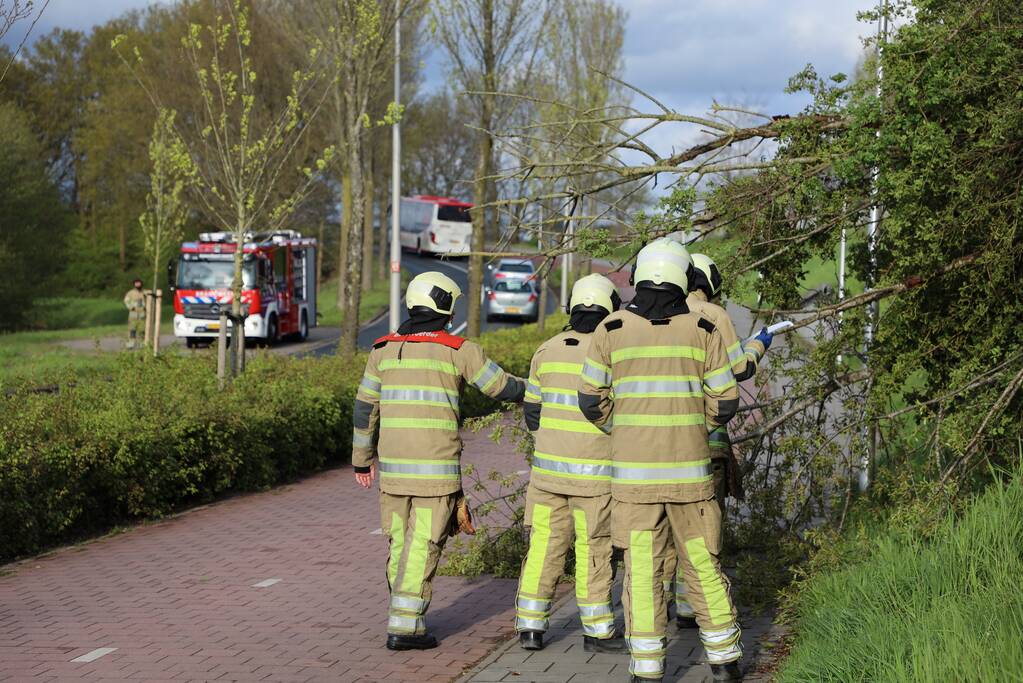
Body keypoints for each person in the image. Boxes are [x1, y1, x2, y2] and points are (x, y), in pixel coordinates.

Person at [578, 238, 743, 682]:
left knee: (643, 570)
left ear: (638, 277)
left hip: (634, 486)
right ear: (683, 278)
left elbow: (590, 402)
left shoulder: (609, 330)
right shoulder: (705, 330)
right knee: (702, 564)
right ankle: (725, 661)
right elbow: (725, 401)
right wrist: (695, 428)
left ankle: (648, 669)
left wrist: (624, 432)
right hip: (692, 480)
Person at [351, 271, 526, 651]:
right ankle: (405, 626)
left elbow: (365, 409)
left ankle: (403, 612)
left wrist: (361, 461)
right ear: (444, 306)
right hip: (436, 474)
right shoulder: (458, 349)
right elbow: (500, 387)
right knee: (423, 545)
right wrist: (534, 390)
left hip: (394, 474)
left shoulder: (382, 349)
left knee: (399, 542)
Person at [515, 274, 627, 654]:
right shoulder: (612, 351)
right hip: (594, 481)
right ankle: (596, 630)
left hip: (546, 478)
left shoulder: (546, 350)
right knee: (593, 548)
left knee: (544, 547)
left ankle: (531, 627)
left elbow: (532, 412)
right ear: (610, 309)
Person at [669, 252, 773, 629]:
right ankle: (692, 608)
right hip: (706, 443)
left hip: (658, 448)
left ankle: (659, 607)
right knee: (699, 530)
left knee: (662, 533)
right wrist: (760, 343)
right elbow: (738, 369)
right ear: (709, 282)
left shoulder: (655, 317)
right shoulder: (714, 316)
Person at [123, 278, 147, 349]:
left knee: (142, 329)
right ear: (134, 284)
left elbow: (149, 300)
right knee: (132, 329)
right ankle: (131, 343)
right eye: (136, 283)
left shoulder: (145, 292)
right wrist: (131, 307)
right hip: (133, 314)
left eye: (139, 283)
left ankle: (142, 343)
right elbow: (126, 301)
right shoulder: (130, 293)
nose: (137, 284)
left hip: (142, 313)